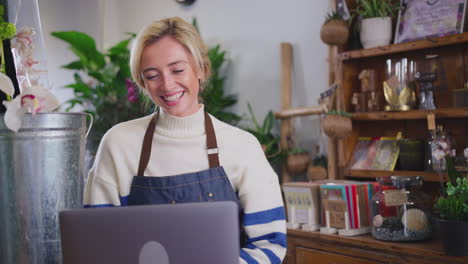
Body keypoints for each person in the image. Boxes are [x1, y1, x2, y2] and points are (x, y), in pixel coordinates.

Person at [83, 16, 287, 263]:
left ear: (200, 69)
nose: (167, 85)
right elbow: (97, 243)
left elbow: (270, 245)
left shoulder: (243, 147)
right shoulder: (118, 144)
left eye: (178, 69)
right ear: (142, 83)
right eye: (152, 75)